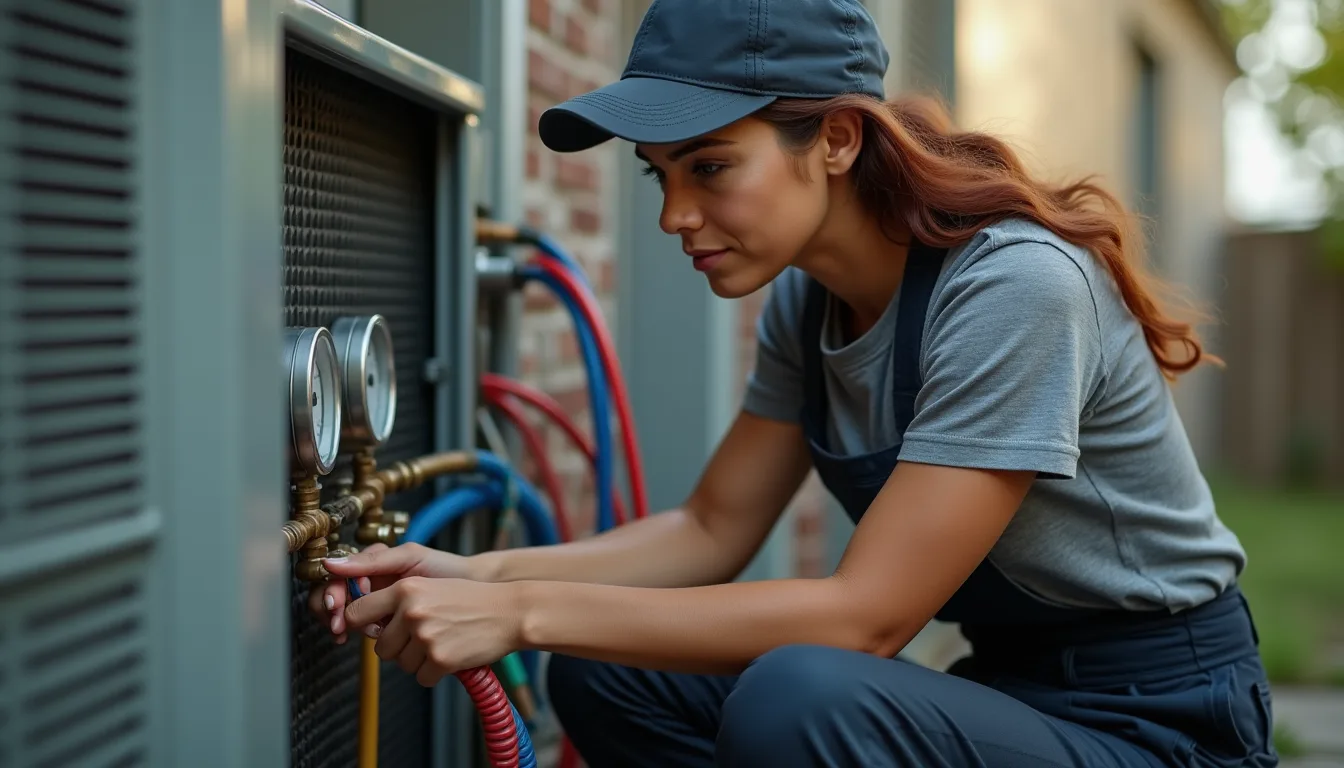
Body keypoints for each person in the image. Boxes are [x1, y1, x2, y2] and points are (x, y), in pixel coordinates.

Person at [310, 1, 1278, 765]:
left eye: (713, 166)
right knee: (610, 676)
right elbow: (710, 530)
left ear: (840, 140)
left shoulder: (1013, 287)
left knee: (800, 696)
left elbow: (868, 617)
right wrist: (475, 577)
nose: (676, 217)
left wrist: (517, 614)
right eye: (660, 177)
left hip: (1161, 725)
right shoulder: (807, 304)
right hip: (1010, 693)